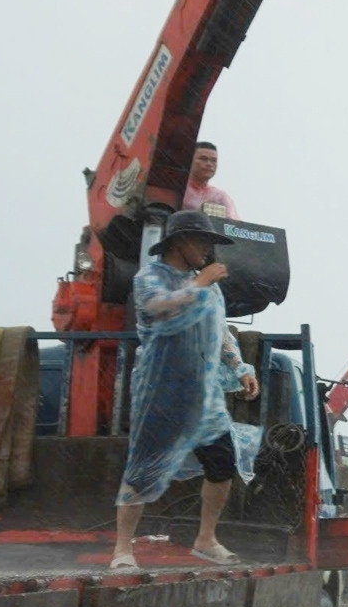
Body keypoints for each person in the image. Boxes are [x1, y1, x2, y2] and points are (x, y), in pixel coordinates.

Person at [111, 210, 260, 569]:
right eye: (202, 242)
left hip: (203, 390)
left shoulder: (207, 283)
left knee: (222, 461)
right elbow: (157, 310)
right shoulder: (150, 277)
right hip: (162, 389)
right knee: (144, 467)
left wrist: (239, 367)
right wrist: (200, 283)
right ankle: (122, 550)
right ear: (180, 241)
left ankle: (206, 539)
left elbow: (220, 330)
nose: (208, 251)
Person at [184, 141, 240, 219]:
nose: (209, 164)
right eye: (203, 159)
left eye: (213, 160)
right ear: (189, 161)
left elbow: (233, 226)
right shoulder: (178, 190)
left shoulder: (220, 196)